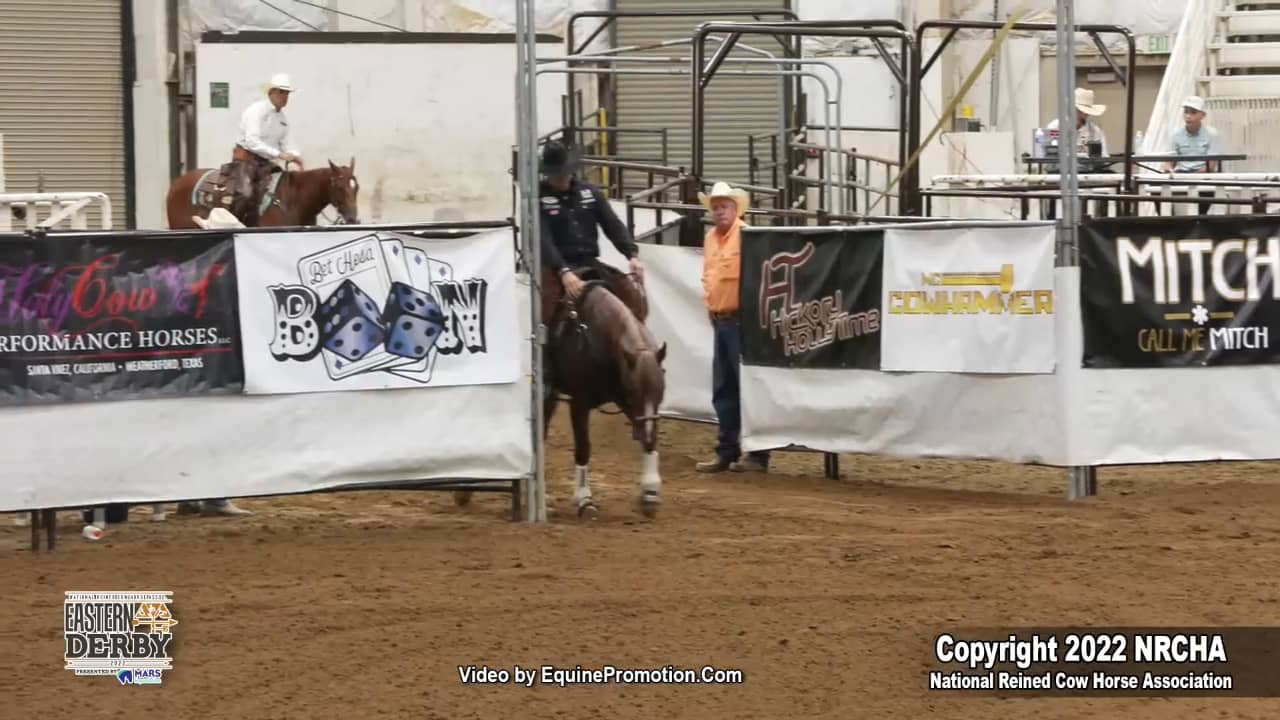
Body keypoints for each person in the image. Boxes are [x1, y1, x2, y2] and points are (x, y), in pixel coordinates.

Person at [538, 141, 647, 393]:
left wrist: (631, 254)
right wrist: (563, 271)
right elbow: (544, 240)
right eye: (556, 174)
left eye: (563, 173)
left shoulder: (590, 193)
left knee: (631, 296)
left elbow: (612, 224)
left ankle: (638, 357)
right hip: (556, 268)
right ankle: (546, 373)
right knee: (544, 311)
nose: (561, 178)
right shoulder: (540, 199)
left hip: (589, 263)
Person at [695, 181, 769, 474]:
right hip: (722, 319)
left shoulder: (747, 236)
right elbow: (708, 277)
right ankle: (728, 451)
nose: (719, 211)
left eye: (724, 206)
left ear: (735, 209)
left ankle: (757, 454)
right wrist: (711, 307)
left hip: (742, 320)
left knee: (745, 387)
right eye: (715, 207)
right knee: (724, 388)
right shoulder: (711, 239)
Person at [231, 73, 302, 226]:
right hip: (246, 159)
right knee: (245, 193)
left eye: (287, 93)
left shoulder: (283, 120)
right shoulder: (256, 110)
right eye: (281, 92)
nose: (284, 96)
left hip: (266, 163)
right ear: (271, 92)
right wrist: (280, 154)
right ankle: (234, 225)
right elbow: (252, 142)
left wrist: (295, 156)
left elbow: (289, 144)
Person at [1045, 87, 1108, 168]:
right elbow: (1049, 154)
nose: (1083, 115)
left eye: (1085, 112)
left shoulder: (1095, 131)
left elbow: (1104, 156)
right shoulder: (1055, 127)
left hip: (1088, 172)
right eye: (1079, 111)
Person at [1164, 95, 1222, 174]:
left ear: (1203, 115)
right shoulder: (1175, 134)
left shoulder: (1212, 134)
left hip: (1204, 176)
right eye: (1186, 112)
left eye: (1193, 112)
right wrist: (1169, 169)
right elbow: (1169, 161)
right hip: (1180, 174)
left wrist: (1191, 177)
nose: (1188, 116)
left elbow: (1211, 165)